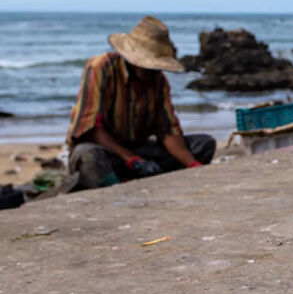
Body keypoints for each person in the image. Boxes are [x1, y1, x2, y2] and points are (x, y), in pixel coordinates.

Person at [67, 16, 216, 189]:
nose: (153, 71)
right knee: (87, 155)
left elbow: (168, 131)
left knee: (203, 145)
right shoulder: (101, 68)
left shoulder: (159, 81)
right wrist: (132, 160)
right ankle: (112, 188)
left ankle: (156, 181)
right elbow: (90, 128)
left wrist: (194, 166)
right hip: (108, 152)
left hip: (141, 150)